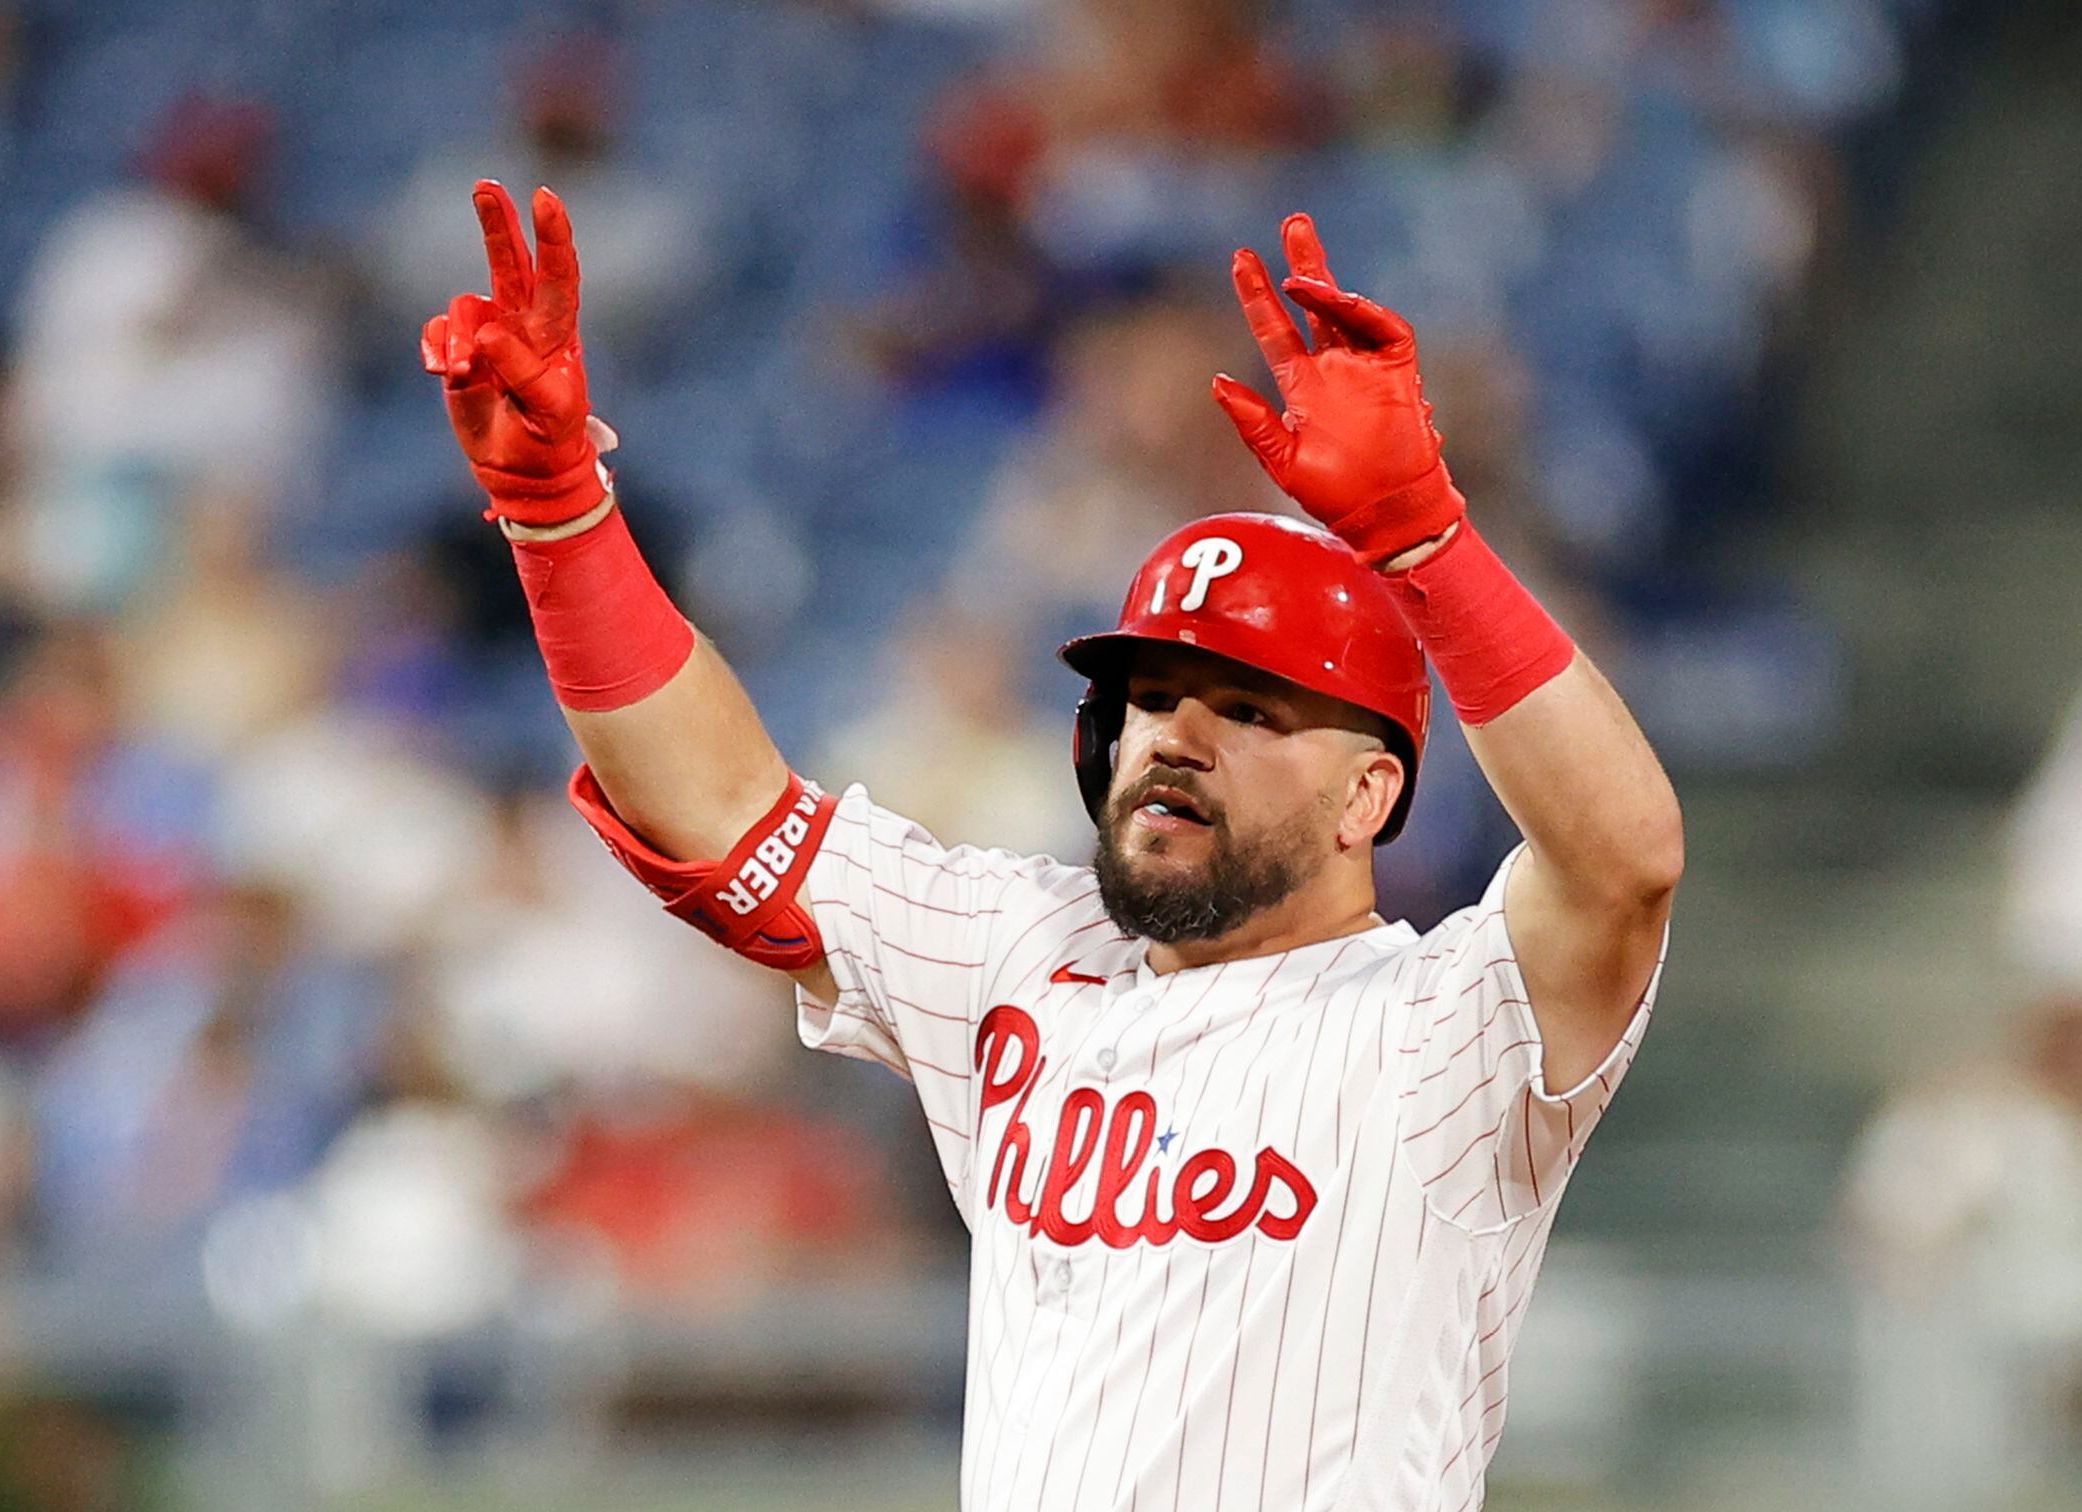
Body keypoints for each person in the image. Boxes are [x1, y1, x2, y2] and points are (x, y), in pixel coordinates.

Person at [420, 180, 1680, 1510]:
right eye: (1151, 698)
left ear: (1368, 797)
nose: (1175, 736)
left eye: (1247, 711)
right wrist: (559, 515)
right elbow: (721, 809)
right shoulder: (1017, 953)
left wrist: (1427, 542)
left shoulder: (1445, 1024)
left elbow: (1623, 863)